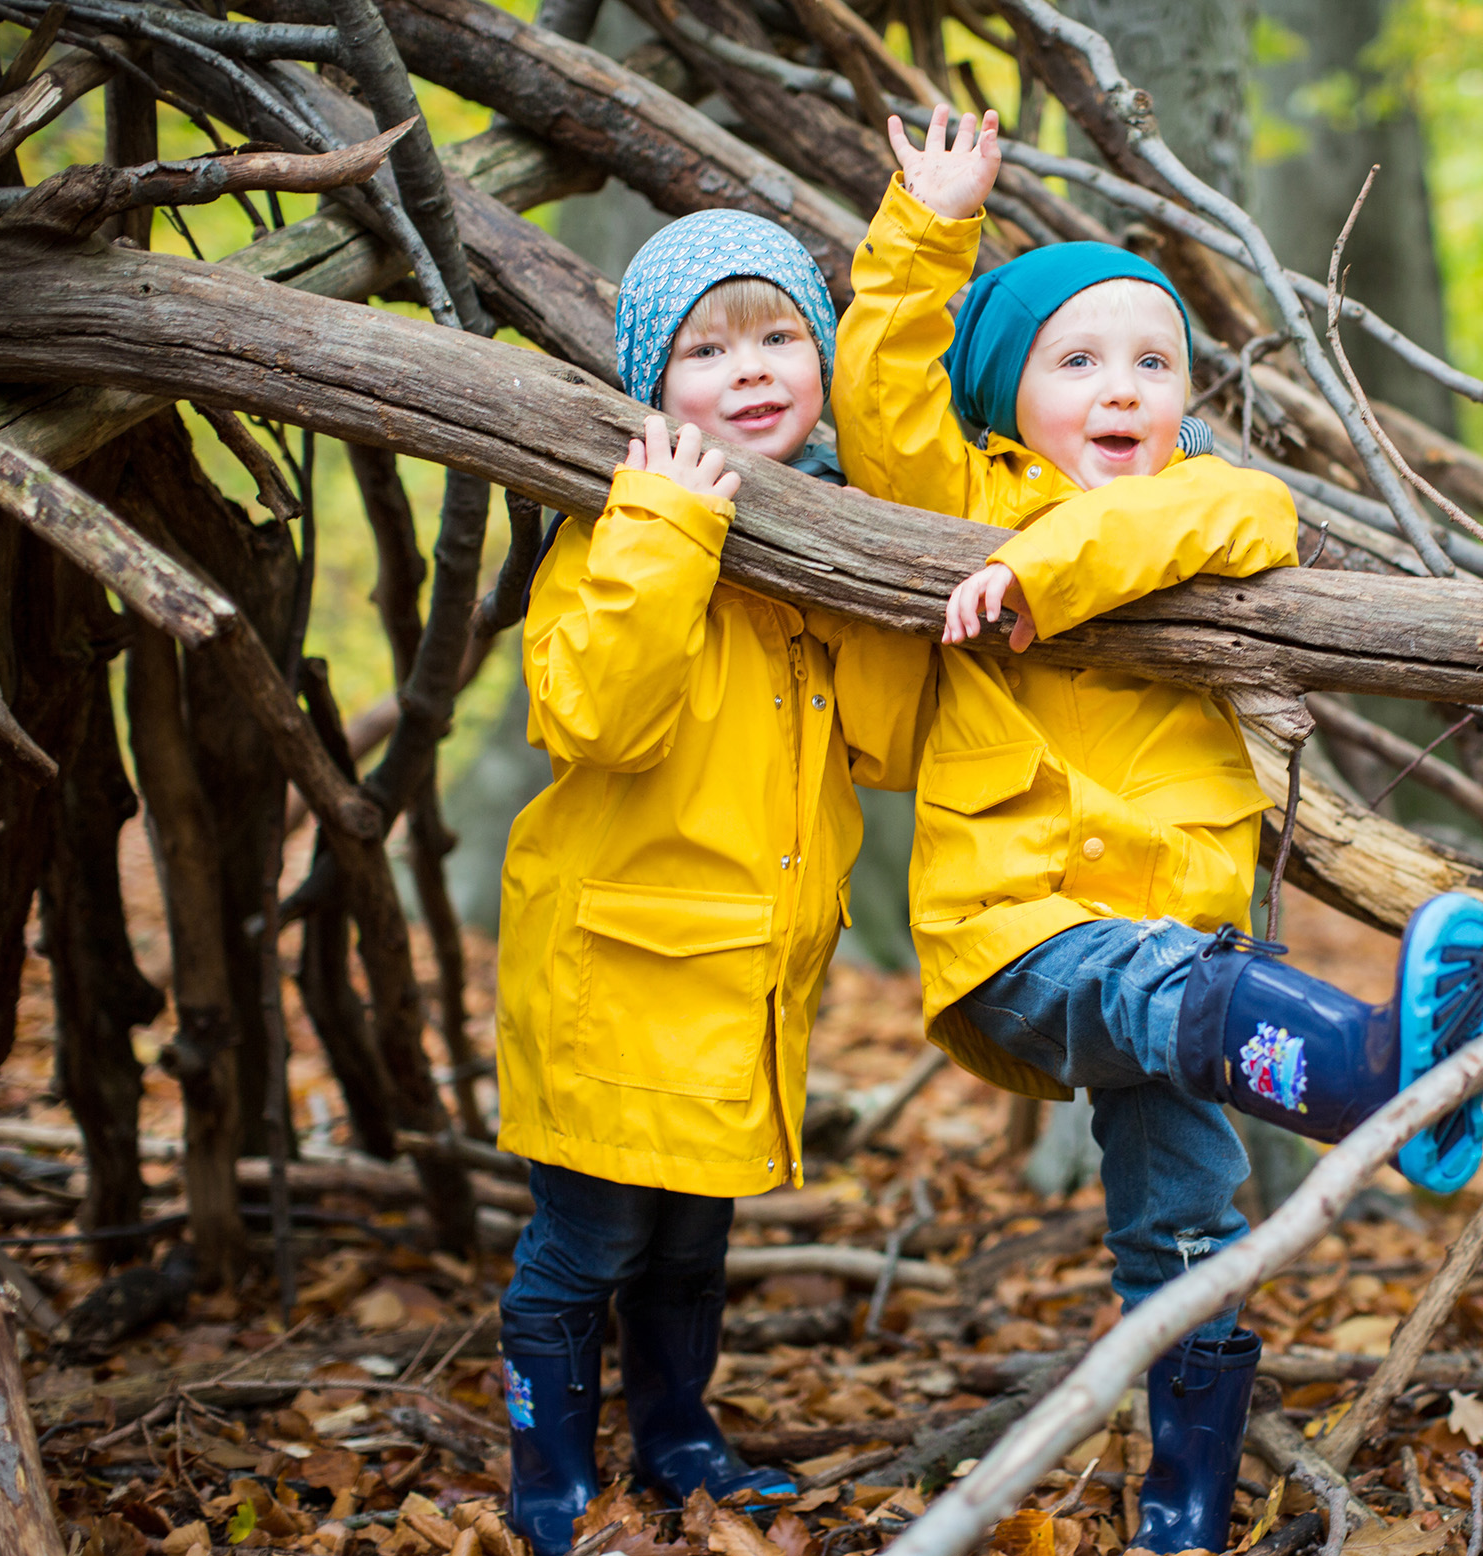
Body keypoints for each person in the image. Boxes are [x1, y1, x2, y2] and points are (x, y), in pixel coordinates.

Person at [835, 108, 1483, 1555]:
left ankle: (1185, 1508)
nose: (1121, 389)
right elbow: (882, 404)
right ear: (1007, 395)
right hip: (1029, 934)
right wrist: (925, 229)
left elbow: (1210, 518)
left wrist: (1042, 576)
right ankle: (1379, 1074)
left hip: (1193, 964)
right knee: (1152, 1003)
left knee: (1191, 1230)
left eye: (1153, 363)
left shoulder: (1219, 502)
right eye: (1075, 363)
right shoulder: (962, 498)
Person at [494, 212, 933, 1555]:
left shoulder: (816, 552)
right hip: (620, 974)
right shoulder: (618, 533)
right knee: (586, 1244)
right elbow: (597, 719)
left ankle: (679, 1432)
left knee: (690, 1244)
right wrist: (668, 524)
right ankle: (551, 1469)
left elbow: (892, 741)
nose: (750, 368)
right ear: (649, 389)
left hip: (742, 983)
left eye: (780, 336)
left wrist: (873, 576)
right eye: (706, 348)